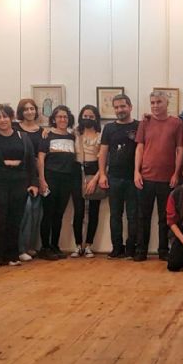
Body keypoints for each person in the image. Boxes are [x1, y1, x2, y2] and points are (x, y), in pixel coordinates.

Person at [0, 105, 39, 268]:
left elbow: (31, 162)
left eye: (5, 116)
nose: (2, 120)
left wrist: (34, 183)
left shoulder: (23, 137)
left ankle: (12, 255)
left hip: (19, 182)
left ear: (11, 118)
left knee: (15, 220)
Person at [134, 91, 183, 261]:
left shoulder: (176, 123)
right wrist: (136, 172)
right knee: (143, 216)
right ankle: (141, 250)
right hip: (146, 177)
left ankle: (163, 250)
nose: (155, 105)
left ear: (167, 103)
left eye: (159, 102)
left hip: (167, 179)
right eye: (153, 102)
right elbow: (139, 148)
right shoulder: (145, 122)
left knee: (165, 217)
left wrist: (176, 173)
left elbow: (180, 150)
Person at [98, 94, 141, 259]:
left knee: (133, 215)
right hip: (114, 178)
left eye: (123, 106)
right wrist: (102, 174)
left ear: (130, 107)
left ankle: (131, 248)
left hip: (133, 178)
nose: (119, 110)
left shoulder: (139, 126)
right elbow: (103, 152)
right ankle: (117, 248)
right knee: (115, 215)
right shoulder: (109, 128)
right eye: (116, 107)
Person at [37, 106, 76, 261]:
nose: (62, 119)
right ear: (54, 119)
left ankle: (55, 245)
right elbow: (40, 159)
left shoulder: (72, 137)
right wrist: (42, 180)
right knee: (48, 214)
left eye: (65, 117)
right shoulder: (47, 135)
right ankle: (45, 248)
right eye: (59, 117)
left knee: (59, 215)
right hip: (50, 178)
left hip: (66, 180)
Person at [71, 105, 103, 259]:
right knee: (78, 211)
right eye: (85, 116)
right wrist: (46, 131)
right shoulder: (74, 133)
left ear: (96, 118)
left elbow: (104, 160)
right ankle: (78, 245)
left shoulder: (100, 136)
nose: (88, 119)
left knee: (94, 211)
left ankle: (89, 245)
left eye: (91, 116)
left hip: (95, 172)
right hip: (77, 173)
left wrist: (95, 179)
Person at [14, 98, 43, 262]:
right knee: (24, 211)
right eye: (26, 109)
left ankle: (30, 245)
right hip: (20, 175)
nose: (29, 112)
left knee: (36, 212)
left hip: (36, 175)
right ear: (21, 112)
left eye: (32, 108)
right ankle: (20, 248)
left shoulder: (42, 131)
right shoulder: (15, 128)